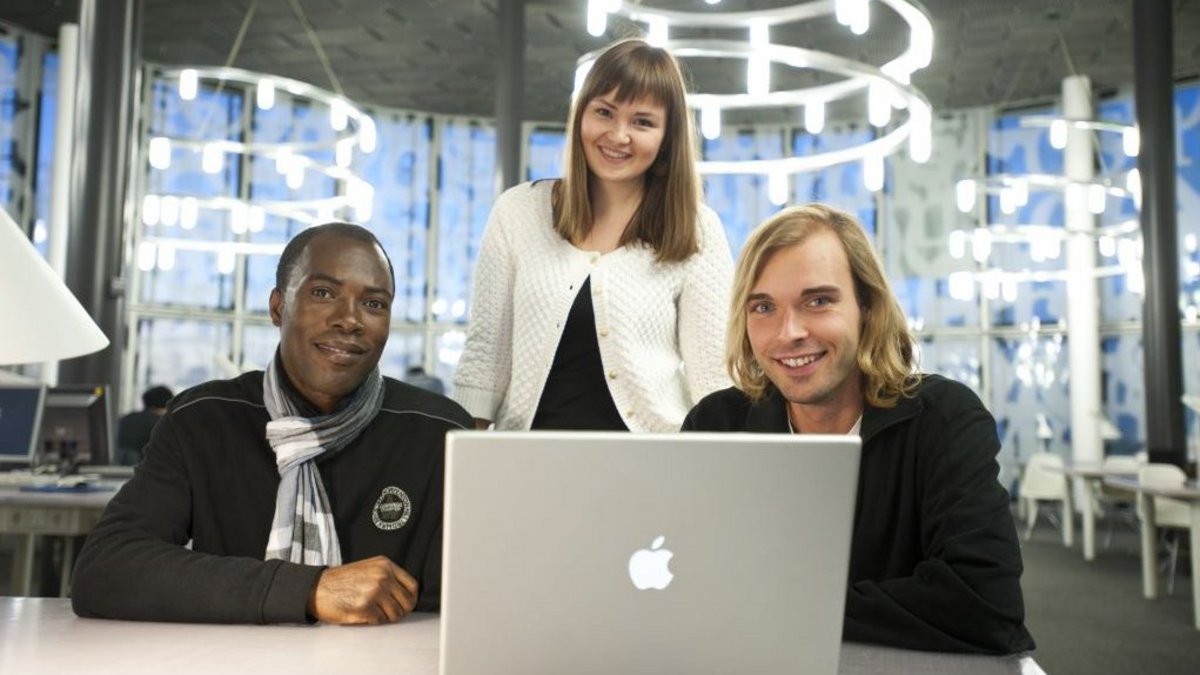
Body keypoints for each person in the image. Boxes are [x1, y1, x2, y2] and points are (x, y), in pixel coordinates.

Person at [72, 222, 472, 625]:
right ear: (278, 307)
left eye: (374, 304)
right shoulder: (203, 420)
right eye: (323, 293)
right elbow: (105, 569)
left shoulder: (438, 434)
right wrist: (309, 589)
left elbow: (475, 601)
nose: (349, 319)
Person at [682, 204, 1035, 655]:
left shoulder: (942, 419)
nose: (788, 332)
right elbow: (686, 586)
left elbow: (986, 602)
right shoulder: (716, 426)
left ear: (867, 306)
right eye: (764, 307)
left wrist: (773, 607)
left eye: (818, 301)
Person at [453, 38, 733, 432]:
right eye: (604, 112)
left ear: (667, 138)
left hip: (652, 472)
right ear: (581, 115)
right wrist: (466, 458)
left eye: (642, 122)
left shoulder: (698, 229)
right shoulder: (516, 212)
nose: (619, 136)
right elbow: (485, 361)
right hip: (528, 466)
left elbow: (715, 378)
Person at [115, 385, 173, 465]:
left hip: (118, 469)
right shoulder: (162, 423)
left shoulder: (126, 419)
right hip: (147, 471)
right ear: (169, 404)